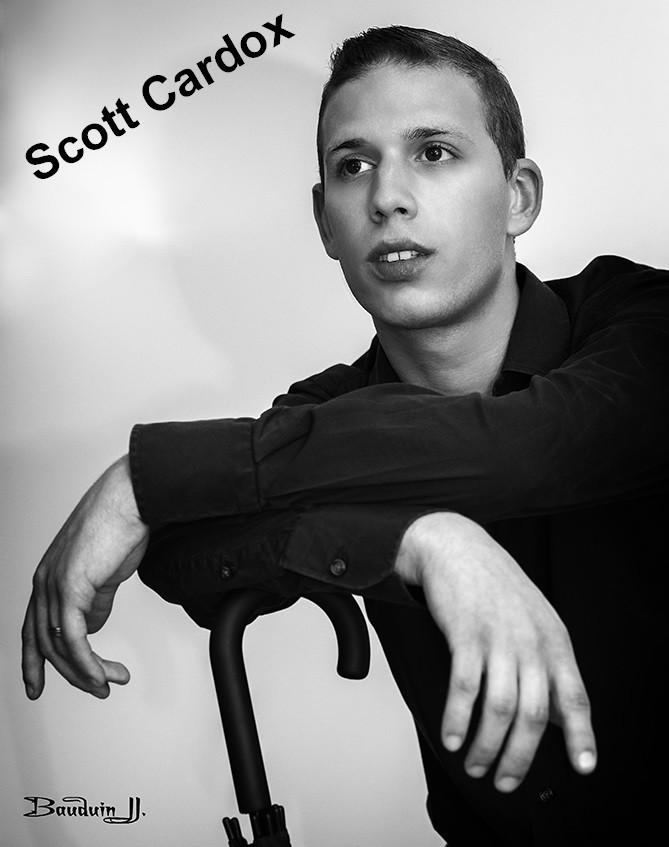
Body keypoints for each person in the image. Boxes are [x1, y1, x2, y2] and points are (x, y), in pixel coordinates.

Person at [22, 25, 668, 846]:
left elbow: (536, 445)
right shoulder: (325, 412)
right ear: (325, 222)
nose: (386, 197)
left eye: (433, 152)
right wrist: (412, 539)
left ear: (518, 196)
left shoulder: (641, 321)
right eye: (353, 165)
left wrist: (145, 477)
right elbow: (186, 560)